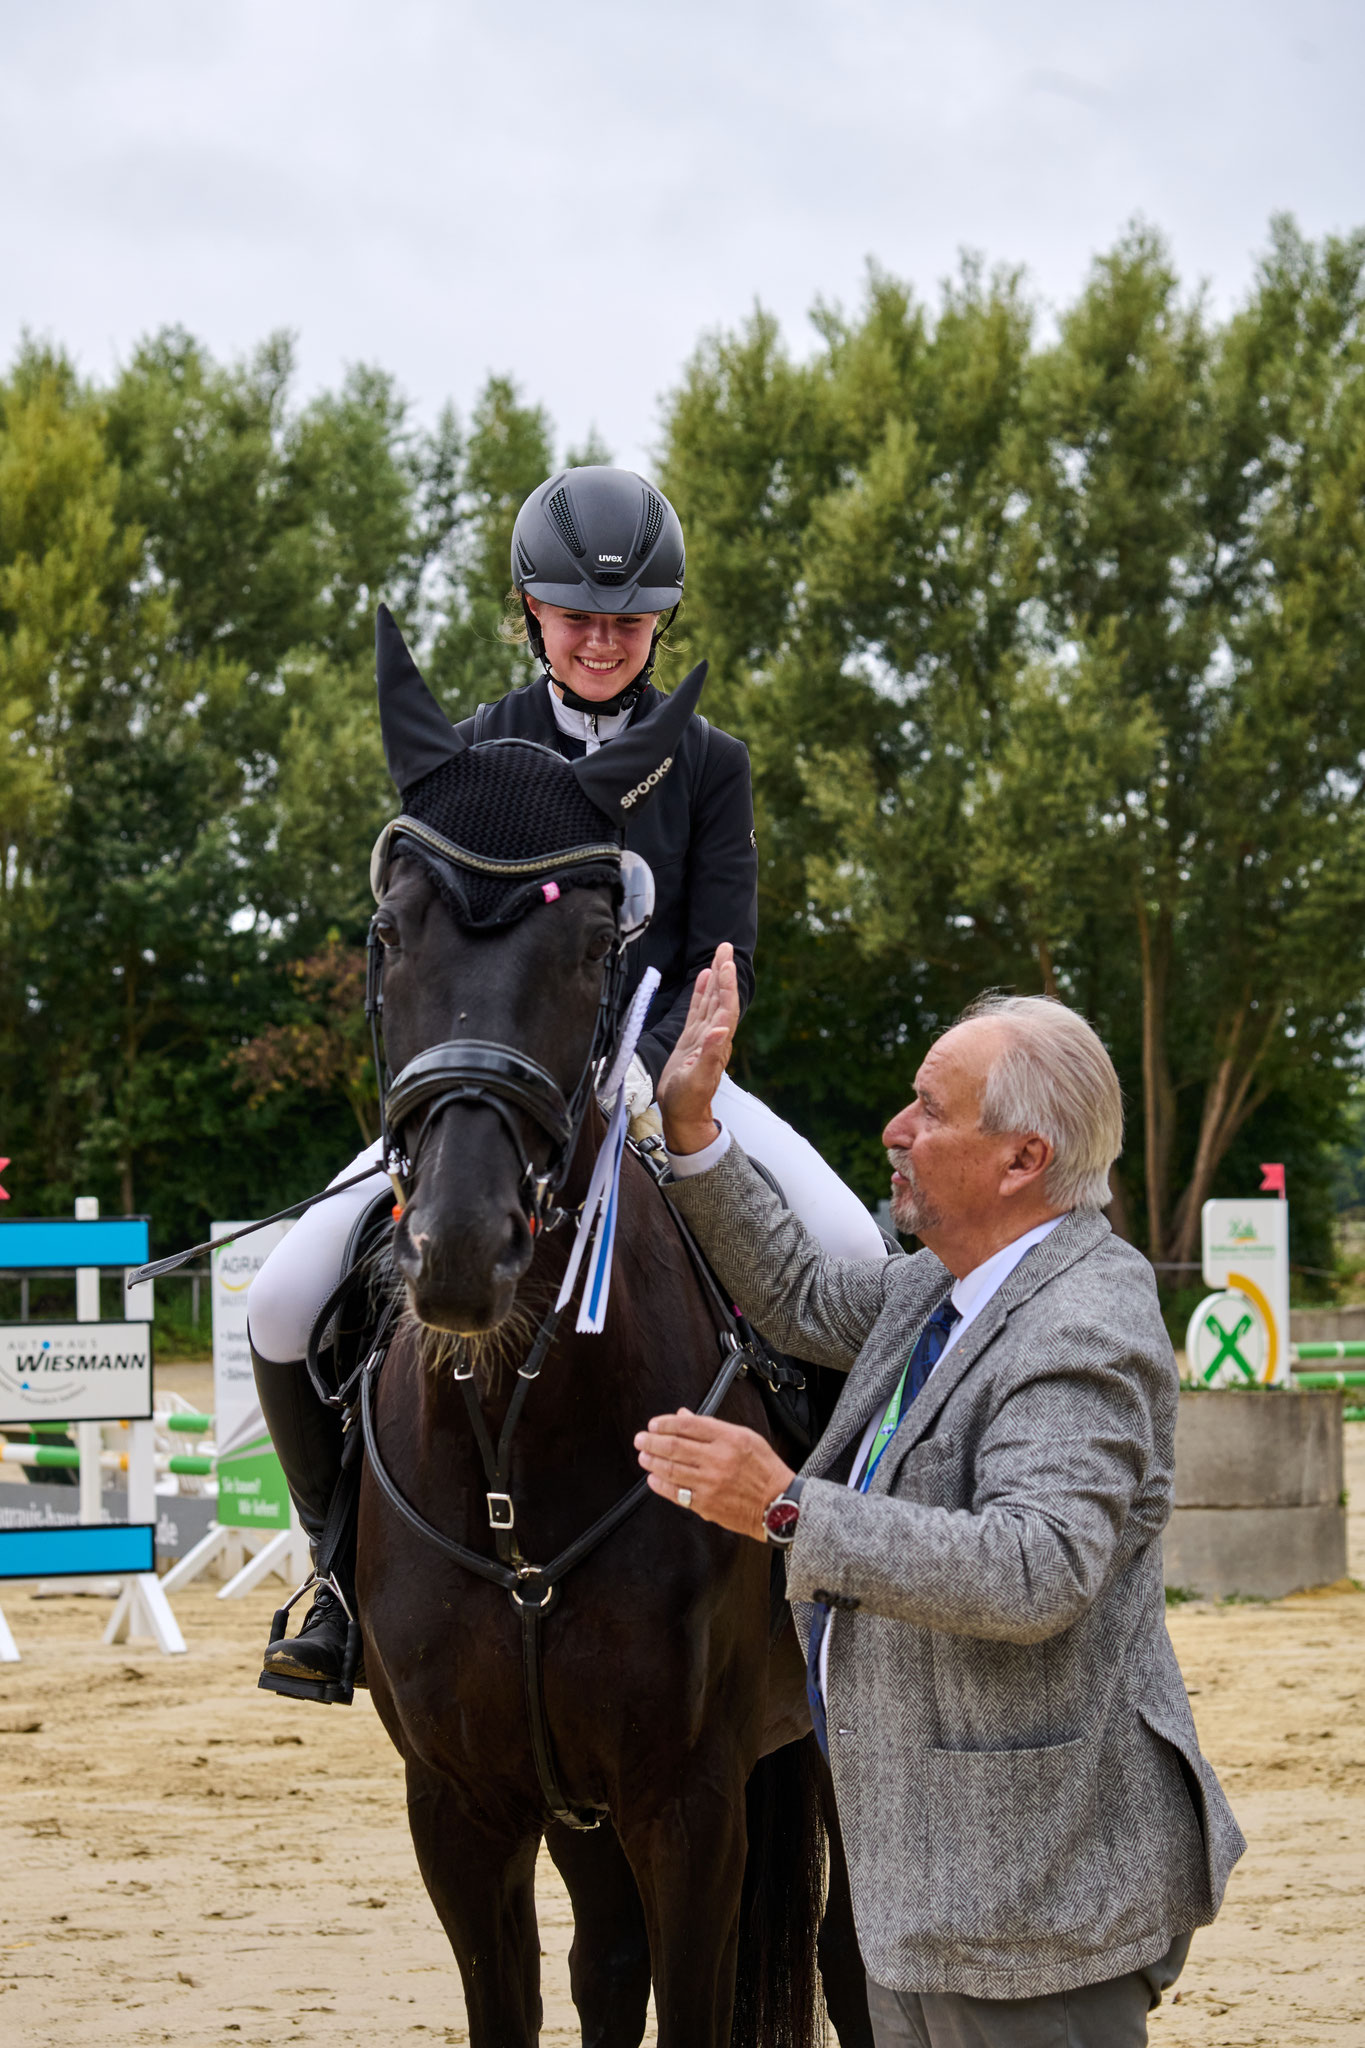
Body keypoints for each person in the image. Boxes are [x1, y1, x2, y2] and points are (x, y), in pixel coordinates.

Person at [249, 465, 886, 1692]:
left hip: (666, 1077)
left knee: (855, 1256)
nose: (603, 639)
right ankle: (337, 1576)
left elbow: (725, 950)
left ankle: (836, 1582)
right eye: (578, 615)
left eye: (630, 619)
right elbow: (430, 941)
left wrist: (653, 1073)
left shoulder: (710, 763)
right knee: (281, 1299)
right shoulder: (471, 749)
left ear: (662, 623)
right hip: (492, 1093)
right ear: (529, 610)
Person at [635, 944, 1245, 2047]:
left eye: (928, 1108)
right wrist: (691, 1122)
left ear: (1022, 1160)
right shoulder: (941, 1282)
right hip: (927, 1887)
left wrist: (784, 1509)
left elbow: (1034, 1569)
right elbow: (795, 1292)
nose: (895, 1129)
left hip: (1032, 1906)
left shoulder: (1081, 1325)